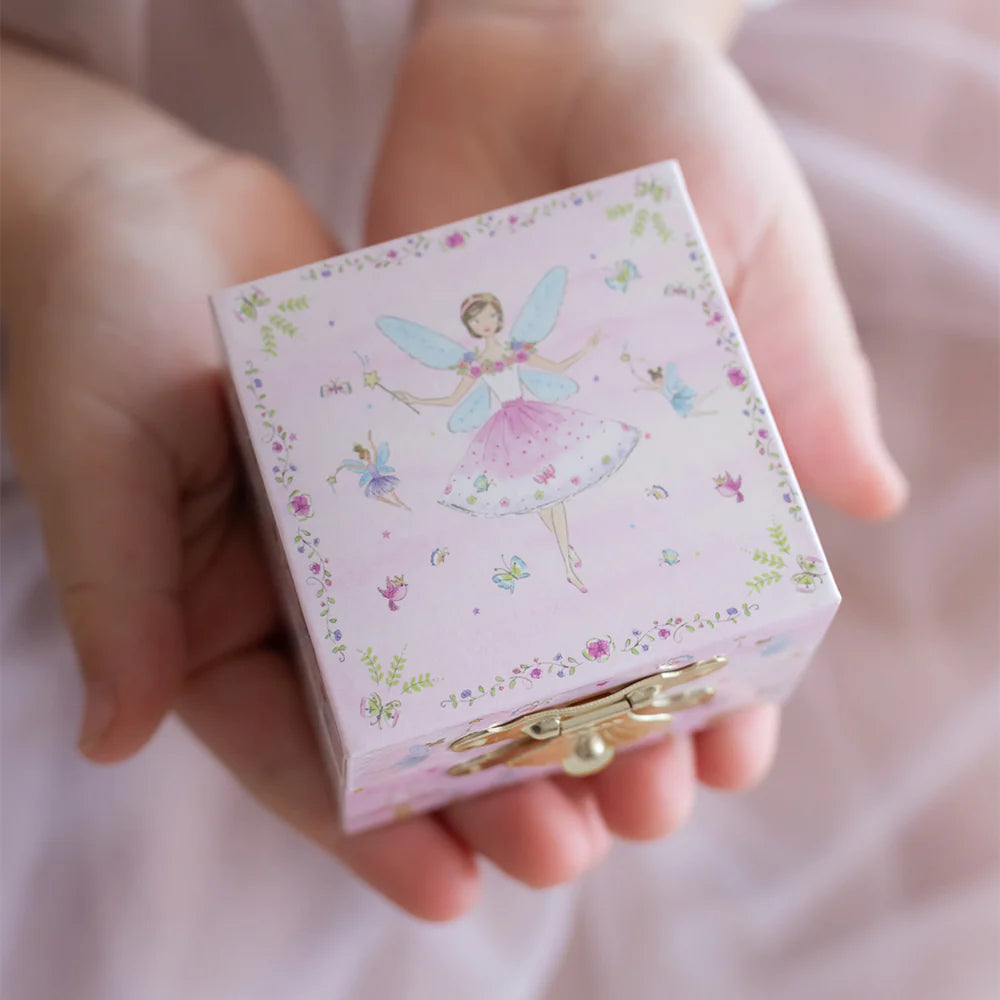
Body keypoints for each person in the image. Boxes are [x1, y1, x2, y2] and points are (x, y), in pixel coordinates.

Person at [0, 0, 908, 927]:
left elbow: (550, 355)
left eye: (484, 319)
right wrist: (51, 195)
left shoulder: (521, 332)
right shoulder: (466, 360)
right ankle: (567, 564)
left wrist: (570, 23)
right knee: (535, 501)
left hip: (528, 397)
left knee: (563, 494)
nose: (483, 326)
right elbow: (449, 395)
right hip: (481, 419)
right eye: (477, 322)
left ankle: (573, 565)